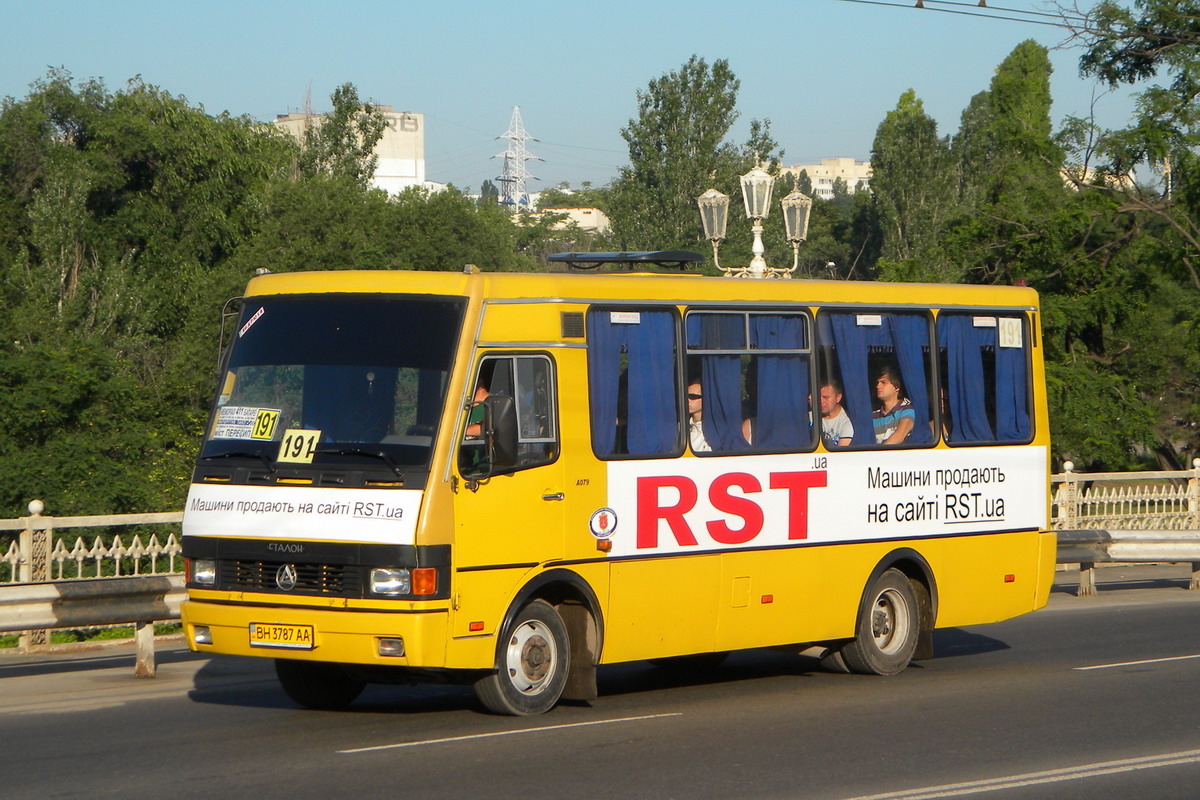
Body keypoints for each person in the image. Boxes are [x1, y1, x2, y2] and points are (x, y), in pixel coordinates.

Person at [872, 366, 914, 444]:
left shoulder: (907, 410)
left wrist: (878, 454)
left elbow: (899, 436)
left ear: (897, 387)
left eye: (883, 382)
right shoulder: (873, 416)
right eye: (877, 383)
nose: (878, 386)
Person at [819, 381, 854, 447]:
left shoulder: (847, 421)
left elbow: (840, 453)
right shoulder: (810, 417)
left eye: (826, 397)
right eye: (818, 397)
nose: (821, 402)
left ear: (838, 397)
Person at [686, 381, 711, 452]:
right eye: (686, 396)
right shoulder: (681, 427)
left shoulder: (712, 432)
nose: (688, 400)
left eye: (693, 397)